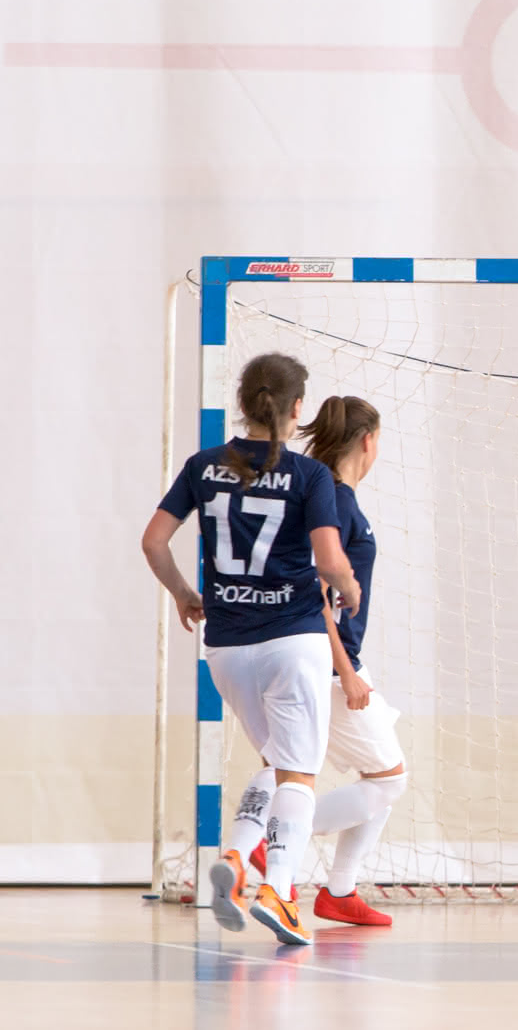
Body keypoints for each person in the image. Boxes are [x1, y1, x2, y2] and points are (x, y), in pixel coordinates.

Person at [141, 353, 361, 945]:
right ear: (297, 408)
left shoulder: (202, 465)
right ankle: (279, 891)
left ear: (242, 403)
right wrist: (348, 585)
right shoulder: (309, 475)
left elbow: (154, 541)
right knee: (299, 774)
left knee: (275, 760)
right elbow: (329, 559)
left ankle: (238, 859)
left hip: (227, 646)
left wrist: (185, 593)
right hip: (292, 638)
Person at [240, 395, 405, 927]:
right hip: (329, 665)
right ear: (368, 441)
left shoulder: (334, 496)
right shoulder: (332, 501)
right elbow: (313, 594)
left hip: (338, 660)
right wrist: (346, 671)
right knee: (389, 779)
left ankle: (339, 890)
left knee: (382, 770)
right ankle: (275, 837)